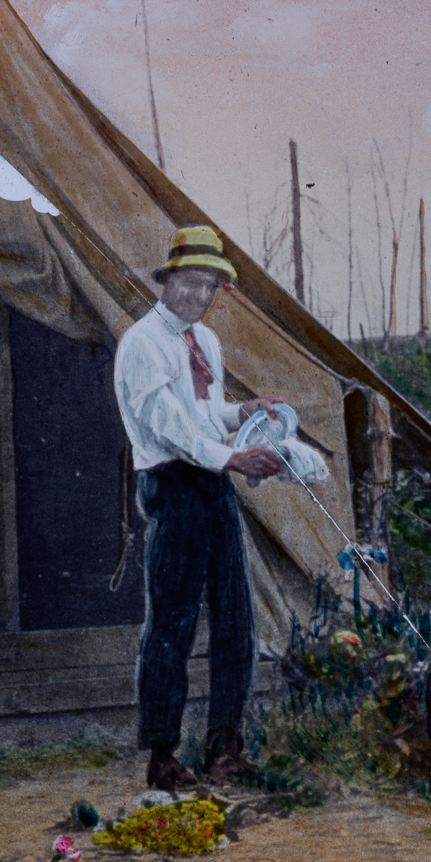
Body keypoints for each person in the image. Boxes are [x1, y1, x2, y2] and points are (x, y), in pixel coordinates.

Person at [114, 225, 290, 790]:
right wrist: (234, 459)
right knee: (171, 623)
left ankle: (225, 748)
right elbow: (170, 426)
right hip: (172, 484)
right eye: (190, 283)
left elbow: (206, 415)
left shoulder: (204, 342)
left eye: (210, 287)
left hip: (214, 483)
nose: (198, 296)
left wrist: (244, 414)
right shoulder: (142, 344)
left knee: (236, 617)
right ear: (167, 281)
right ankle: (163, 758)